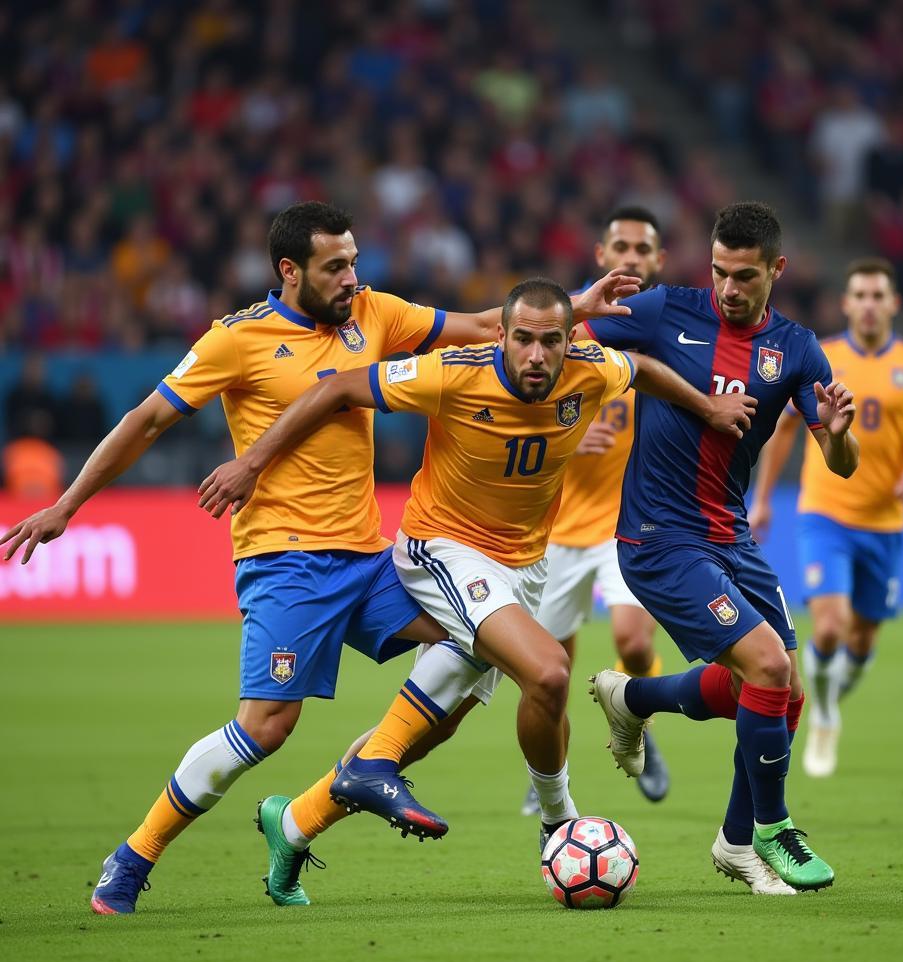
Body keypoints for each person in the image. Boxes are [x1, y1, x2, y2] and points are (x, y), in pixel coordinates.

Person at [0, 201, 640, 915]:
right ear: (289, 269)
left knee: (486, 645)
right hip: (287, 561)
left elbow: (488, 329)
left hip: (369, 559)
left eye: (354, 260)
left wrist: (577, 307)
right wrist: (67, 504)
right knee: (266, 728)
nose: (351, 277)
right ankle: (135, 856)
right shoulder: (236, 339)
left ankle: (356, 776)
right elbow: (146, 418)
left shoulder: (376, 314)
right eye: (335, 266)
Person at [197, 277, 754, 901]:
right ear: (503, 337)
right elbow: (336, 387)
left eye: (551, 341)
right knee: (546, 672)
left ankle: (294, 824)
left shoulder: (591, 369)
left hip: (524, 567)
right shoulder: (451, 373)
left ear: (570, 341)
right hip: (443, 550)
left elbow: (643, 369)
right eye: (523, 340)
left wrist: (707, 407)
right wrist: (252, 462)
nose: (538, 356)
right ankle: (558, 822)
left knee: (427, 730)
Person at [579, 201, 858, 894]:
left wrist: (843, 431)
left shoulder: (796, 348)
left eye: (743, 276)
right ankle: (771, 829)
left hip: (729, 535)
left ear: (776, 270)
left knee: (779, 693)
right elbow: (558, 336)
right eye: (719, 272)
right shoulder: (664, 309)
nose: (728, 288)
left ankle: (644, 712)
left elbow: (840, 459)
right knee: (767, 666)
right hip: (656, 537)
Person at [749, 257, 903, 777]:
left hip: (886, 521)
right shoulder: (822, 356)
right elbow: (787, 430)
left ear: (893, 303)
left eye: (876, 295)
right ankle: (822, 714)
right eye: (859, 295)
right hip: (825, 512)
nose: (868, 304)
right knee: (830, 626)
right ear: (846, 303)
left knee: (862, 640)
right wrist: (764, 497)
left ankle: (830, 696)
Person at [524, 206, 670, 815]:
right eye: (621, 246)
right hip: (557, 531)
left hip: (628, 525)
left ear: (658, 262)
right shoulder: (561, 337)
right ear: (600, 256)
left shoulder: (668, 337)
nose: (631, 257)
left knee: (634, 642)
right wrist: (566, 437)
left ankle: (640, 726)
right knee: (550, 668)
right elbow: (514, 405)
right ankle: (548, 773)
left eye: (643, 249)